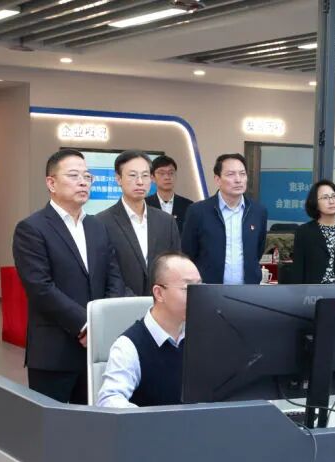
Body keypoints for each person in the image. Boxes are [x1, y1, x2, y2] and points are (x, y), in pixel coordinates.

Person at [13, 149, 127, 404]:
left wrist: (103, 323)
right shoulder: (32, 228)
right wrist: (86, 325)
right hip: (54, 350)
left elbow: (114, 276)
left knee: (92, 421)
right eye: (74, 176)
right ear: (51, 183)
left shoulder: (97, 226)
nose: (83, 182)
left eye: (87, 176)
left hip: (97, 350)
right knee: (50, 424)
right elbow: (40, 288)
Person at [95, 253, 201, 408]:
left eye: (200, 286)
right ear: (159, 293)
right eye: (188, 288)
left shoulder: (202, 337)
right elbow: (108, 400)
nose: (198, 296)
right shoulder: (129, 346)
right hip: (149, 423)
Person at [96, 151, 181, 295]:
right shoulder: (101, 222)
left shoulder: (166, 221)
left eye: (145, 175)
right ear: (118, 179)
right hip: (121, 303)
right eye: (132, 175)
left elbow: (175, 265)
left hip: (162, 302)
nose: (140, 181)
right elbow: (104, 272)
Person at [181, 153, 267, 284]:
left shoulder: (258, 211)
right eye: (231, 174)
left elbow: (258, 251)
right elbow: (188, 252)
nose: (238, 180)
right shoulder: (198, 211)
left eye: (242, 174)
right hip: (209, 288)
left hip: (248, 290)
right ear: (217, 180)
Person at [285, 180, 335, 284]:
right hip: (312, 291)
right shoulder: (304, 231)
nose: (331, 201)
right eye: (325, 197)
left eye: (334, 196)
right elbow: (298, 270)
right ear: (315, 203)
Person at [146, 155, 192, 233]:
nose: (167, 177)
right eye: (161, 173)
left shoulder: (189, 206)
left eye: (171, 173)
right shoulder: (144, 205)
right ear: (152, 178)